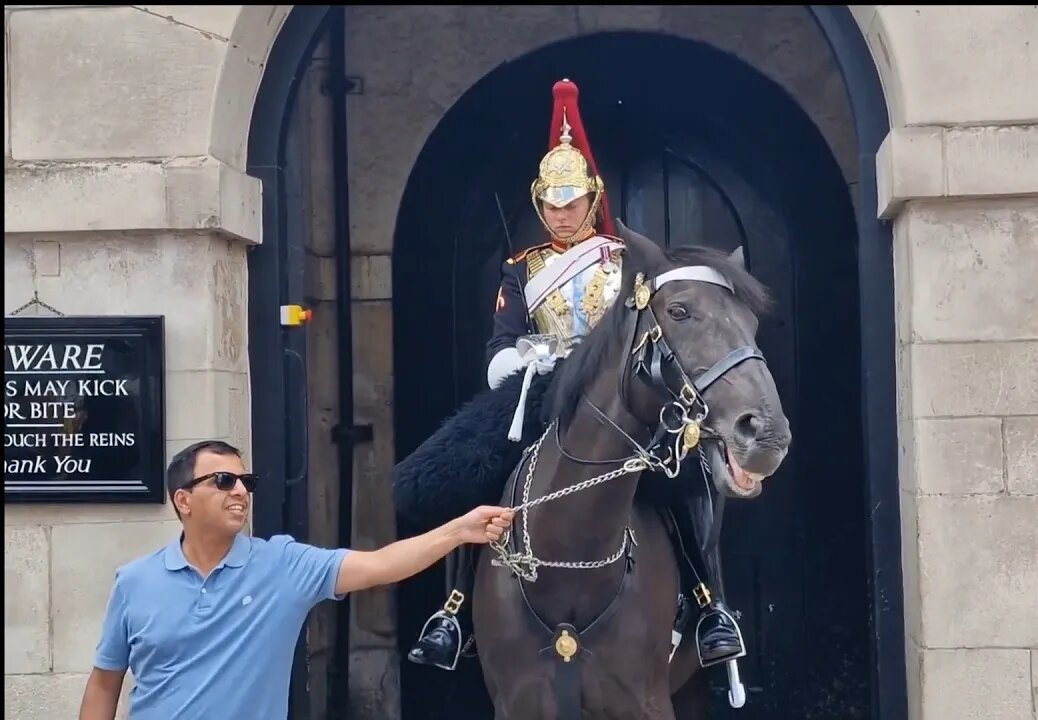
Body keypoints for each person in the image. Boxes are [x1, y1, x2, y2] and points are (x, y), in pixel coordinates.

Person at [394, 77, 745, 675]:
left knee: (684, 474)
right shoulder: (521, 270)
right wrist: (527, 361)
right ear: (540, 204)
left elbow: (647, 331)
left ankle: (710, 604)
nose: (561, 214)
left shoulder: (624, 263)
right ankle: (453, 610)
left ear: (591, 197)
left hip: (616, 391)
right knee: (474, 465)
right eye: (551, 205)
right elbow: (501, 343)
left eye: (572, 202)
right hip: (541, 385)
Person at [76, 439, 512, 720]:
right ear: (183, 500)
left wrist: (458, 531)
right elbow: (104, 682)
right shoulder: (135, 581)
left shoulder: (282, 565)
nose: (241, 491)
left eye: (245, 481)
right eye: (224, 480)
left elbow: (381, 564)